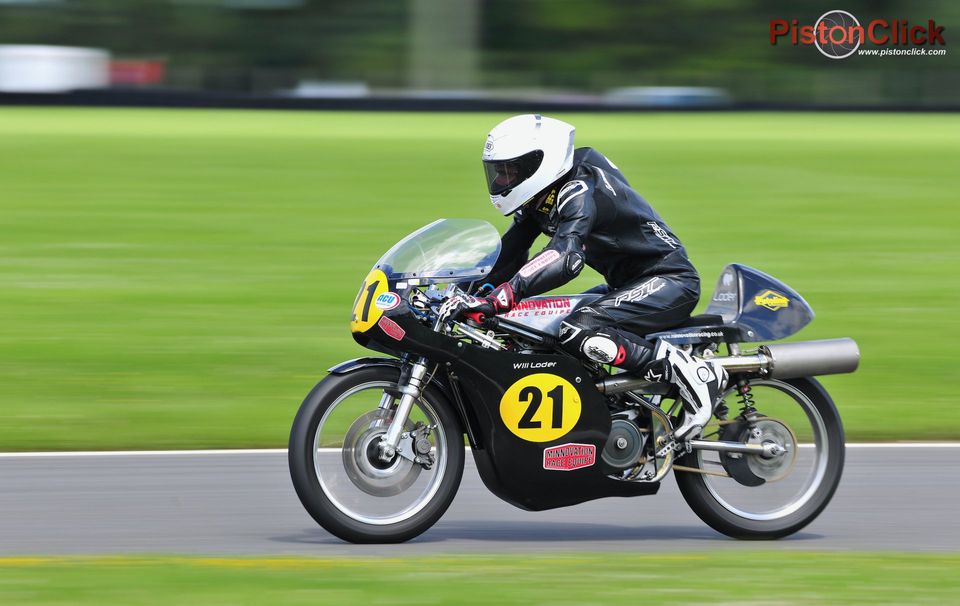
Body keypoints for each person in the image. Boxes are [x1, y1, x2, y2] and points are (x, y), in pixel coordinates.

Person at [454, 114, 727, 441]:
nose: (501, 180)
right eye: (498, 171)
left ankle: (691, 373)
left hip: (669, 281)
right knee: (536, 325)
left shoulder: (579, 189)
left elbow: (566, 258)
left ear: (540, 163)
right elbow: (508, 254)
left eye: (510, 171)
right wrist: (460, 293)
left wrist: (502, 297)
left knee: (579, 329)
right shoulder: (543, 197)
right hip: (627, 285)